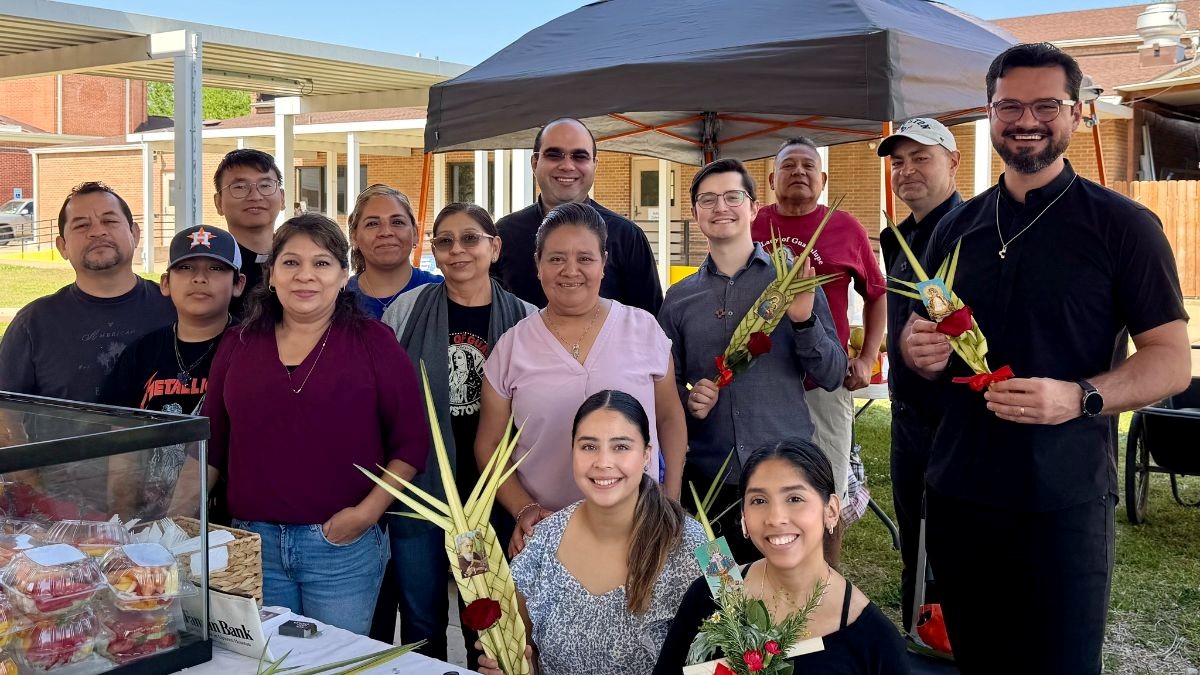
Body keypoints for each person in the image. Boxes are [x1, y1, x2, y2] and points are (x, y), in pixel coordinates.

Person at [900, 43, 1191, 673]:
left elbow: (1171, 361)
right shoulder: (956, 228)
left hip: (1062, 499)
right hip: (959, 492)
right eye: (1010, 106)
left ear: (1077, 113)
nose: (1026, 120)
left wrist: (1079, 396)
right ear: (989, 113)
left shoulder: (1123, 226)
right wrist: (917, 349)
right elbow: (927, 345)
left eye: (1046, 106)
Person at [202, 214, 428, 635]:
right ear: (271, 275)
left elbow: (411, 444)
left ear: (343, 276)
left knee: (336, 661)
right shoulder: (238, 343)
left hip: (341, 547)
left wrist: (365, 515)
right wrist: (172, 519)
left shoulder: (374, 342)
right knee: (268, 661)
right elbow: (211, 446)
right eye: (291, 263)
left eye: (321, 263)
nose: (305, 275)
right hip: (254, 545)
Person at [658, 159, 846, 564]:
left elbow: (832, 374)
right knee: (720, 591)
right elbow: (665, 389)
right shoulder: (679, 299)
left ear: (754, 207)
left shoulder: (792, 280)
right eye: (708, 199)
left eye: (733, 196)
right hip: (711, 485)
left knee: (795, 591)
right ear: (694, 213)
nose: (720, 207)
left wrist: (804, 320)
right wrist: (690, 401)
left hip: (789, 479)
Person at [477, 202, 687, 558]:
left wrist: (670, 500)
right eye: (556, 258)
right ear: (538, 264)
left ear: (604, 263)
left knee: (708, 591)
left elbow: (670, 417)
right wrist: (524, 508)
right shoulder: (512, 346)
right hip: (550, 535)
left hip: (642, 528)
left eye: (585, 258)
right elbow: (489, 444)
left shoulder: (643, 329)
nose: (570, 270)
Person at [376, 203, 534, 656]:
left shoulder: (525, 318)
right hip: (420, 491)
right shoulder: (407, 310)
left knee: (486, 616)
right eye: (444, 241)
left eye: (470, 239)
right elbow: (385, 397)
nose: (457, 250)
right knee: (421, 615)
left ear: (494, 247)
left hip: (489, 495)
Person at [477, 390, 707, 675]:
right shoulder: (540, 541)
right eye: (588, 446)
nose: (603, 462)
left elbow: (741, 634)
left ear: (647, 454)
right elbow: (524, 652)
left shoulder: (703, 546)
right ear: (572, 452)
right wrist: (506, 665)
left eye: (621, 446)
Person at [654, 440, 910, 674]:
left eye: (794, 498)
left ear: (831, 510)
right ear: (744, 517)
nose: (775, 518)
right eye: (759, 501)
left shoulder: (873, 638)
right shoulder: (714, 591)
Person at [0, 182, 175, 515]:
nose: (97, 231)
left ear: (135, 233)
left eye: (109, 220)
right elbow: (5, 419)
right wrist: (36, 495)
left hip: (169, 512)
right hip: (66, 515)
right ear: (62, 246)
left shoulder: (175, 309)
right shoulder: (34, 323)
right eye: (81, 225)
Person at [752, 138, 888, 507]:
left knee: (826, 494)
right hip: (760, 383)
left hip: (825, 381)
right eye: (788, 165)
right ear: (771, 179)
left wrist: (867, 357)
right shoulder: (752, 224)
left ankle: (827, 548)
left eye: (808, 165)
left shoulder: (845, 227)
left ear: (823, 179)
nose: (799, 171)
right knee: (762, 489)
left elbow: (877, 294)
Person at [876, 117, 962, 633]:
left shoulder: (972, 232)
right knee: (915, 543)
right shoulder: (896, 237)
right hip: (907, 419)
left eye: (921, 158)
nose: (906, 170)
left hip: (955, 423)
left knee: (954, 546)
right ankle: (916, 634)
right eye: (898, 162)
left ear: (953, 162)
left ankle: (948, 641)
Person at [99, 224, 245, 521]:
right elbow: (121, 451)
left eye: (216, 268)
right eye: (185, 267)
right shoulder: (142, 352)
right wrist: (122, 524)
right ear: (165, 283)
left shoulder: (250, 349)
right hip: (145, 519)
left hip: (226, 526)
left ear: (238, 284)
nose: (200, 278)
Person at [492, 118, 663, 313]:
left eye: (579, 156)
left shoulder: (627, 237)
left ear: (594, 165)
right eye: (554, 155)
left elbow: (650, 319)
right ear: (535, 163)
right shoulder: (504, 234)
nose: (567, 166)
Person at [346, 184, 442, 320]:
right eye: (372, 224)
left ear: (415, 233)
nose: (386, 232)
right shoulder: (336, 299)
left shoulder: (443, 292)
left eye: (397, 222)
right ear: (354, 237)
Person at [212, 149, 285, 318]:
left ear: (282, 198)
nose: (255, 196)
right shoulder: (210, 267)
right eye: (240, 187)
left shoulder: (303, 263)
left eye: (265, 185)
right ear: (219, 202)